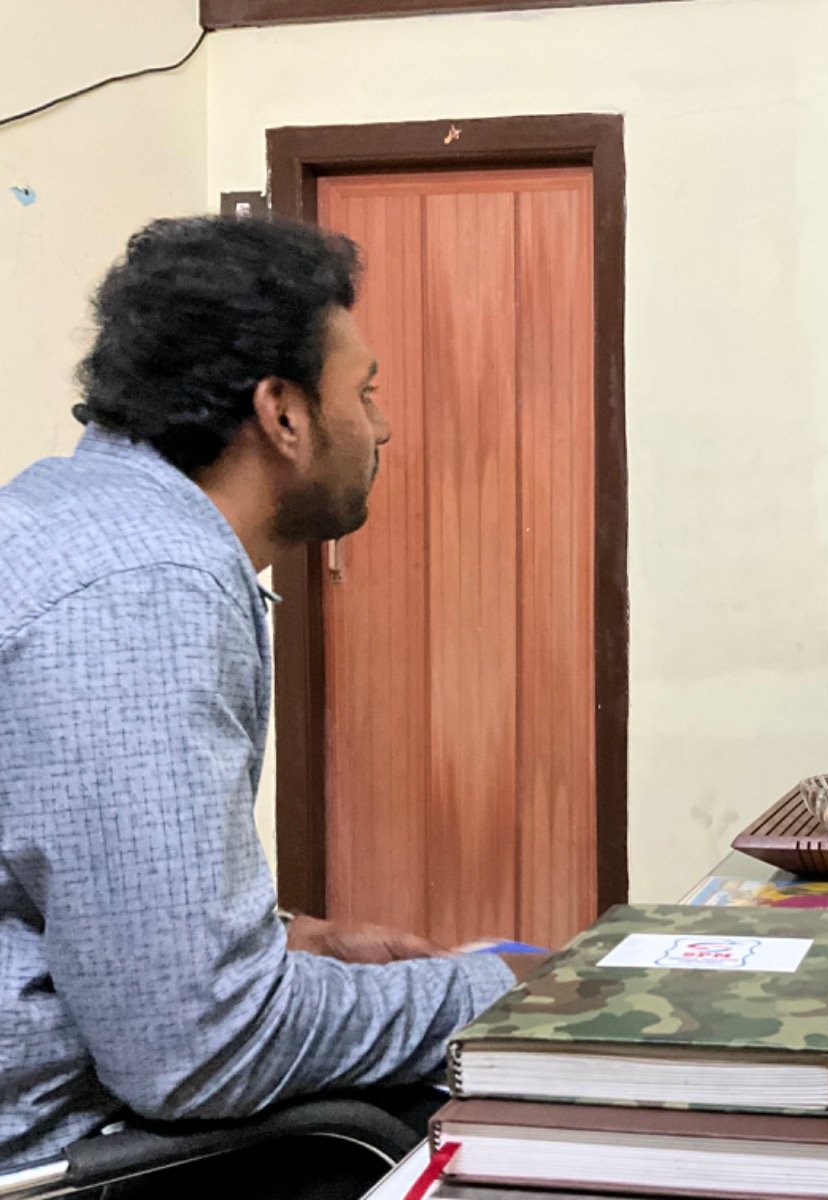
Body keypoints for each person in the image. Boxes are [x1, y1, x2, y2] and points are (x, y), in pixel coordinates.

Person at [0, 216, 522, 1184]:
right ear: (282, 414)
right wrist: (495, 992)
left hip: (94, 1104)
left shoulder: (72, 521)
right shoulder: (145, 590)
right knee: (493, 1124)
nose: (382, 428)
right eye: (363, 393)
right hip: (66, 1162)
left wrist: (283, 941)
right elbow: (200, 1048)